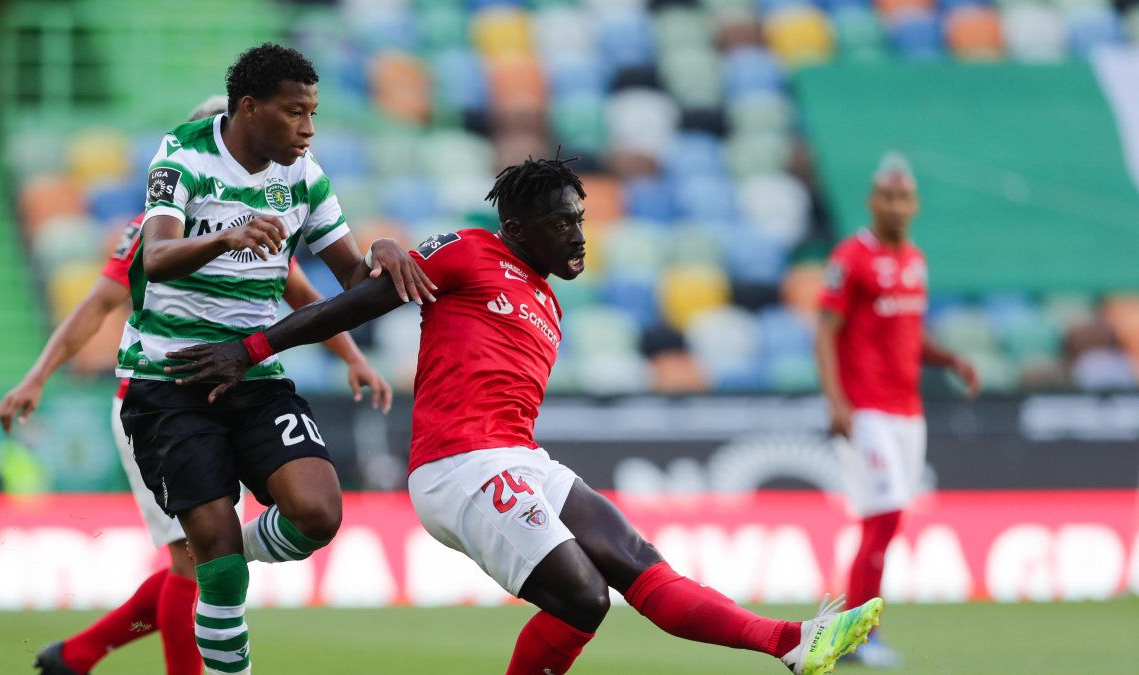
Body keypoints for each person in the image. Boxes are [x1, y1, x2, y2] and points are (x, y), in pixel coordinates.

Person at [165, 155, 883, 675]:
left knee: (635, 563)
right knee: (582, 596)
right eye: (562, 221)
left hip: (517, 457)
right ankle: (232, 548)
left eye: (581, 219)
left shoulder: (548, 302)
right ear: (518, 223)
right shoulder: (467, 250)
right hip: (457, 464)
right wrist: (252, 347)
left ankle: (792, 642)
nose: (578, 234)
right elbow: (357, 300)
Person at [0, 95, 393, 675]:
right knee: (193, 563)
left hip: (241, 386)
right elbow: (98, 304)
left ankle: (79, 654)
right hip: (160, 394)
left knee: (198, 562)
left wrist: (353, 356)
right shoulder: (151, 229)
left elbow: (302, 294)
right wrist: (38, 376)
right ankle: (104, 657)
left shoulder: (268, 214)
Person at [116, 43, 432, 675]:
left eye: (313, 113)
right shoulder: (182, 154)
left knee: (319, 513)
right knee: (221, 574)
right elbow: (154, 257)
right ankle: (225, 587)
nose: (308, 129)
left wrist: (387, 250)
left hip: (254, 373)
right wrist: (226, 235)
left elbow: (352, 277)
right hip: (169, 378)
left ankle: (234, 550)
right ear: (251, 107)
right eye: (296, 113)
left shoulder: (305, 176)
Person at [814, 152, 979, 668]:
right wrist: (837, 402)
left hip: (909, 412)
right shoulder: (851, 258)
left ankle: (851, 631)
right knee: (883, 516)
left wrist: (948, 357)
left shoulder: (915, 261)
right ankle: (861, 633)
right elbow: (824, 332)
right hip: (867, 411)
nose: (897, 206)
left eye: (905, 196)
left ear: (915, 203)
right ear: (871, 201)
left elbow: (907, 332)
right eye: (888, 195)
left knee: (885, 520)